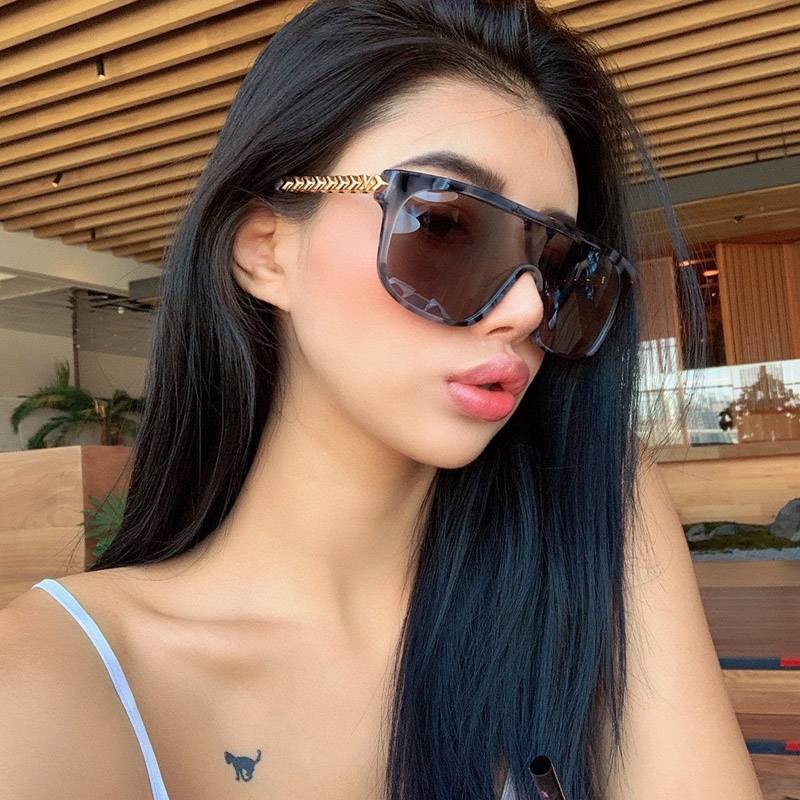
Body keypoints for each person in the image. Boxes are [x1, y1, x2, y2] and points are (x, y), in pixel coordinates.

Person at [0, 1, 764, 798]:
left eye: (559, 265)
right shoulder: (53, 682)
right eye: (444, 224)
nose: (526, 307)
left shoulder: (592, 520)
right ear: (266, 250)